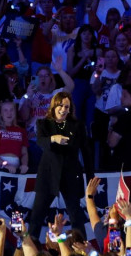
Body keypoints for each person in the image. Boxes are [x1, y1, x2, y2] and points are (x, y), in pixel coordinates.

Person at [26, 92, 87, 241]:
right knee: (37, 214)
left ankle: (82, 247)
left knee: (76, 214)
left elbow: (87, 151)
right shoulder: (43, 123)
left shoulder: (77, 125)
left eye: (66, 106)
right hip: (48, 175)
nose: (63, 109)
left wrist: (90, 177)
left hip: (70, 175)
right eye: (60, 105)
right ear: (54, 106)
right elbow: (40, 141)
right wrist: (53, 139)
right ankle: (29, 247)